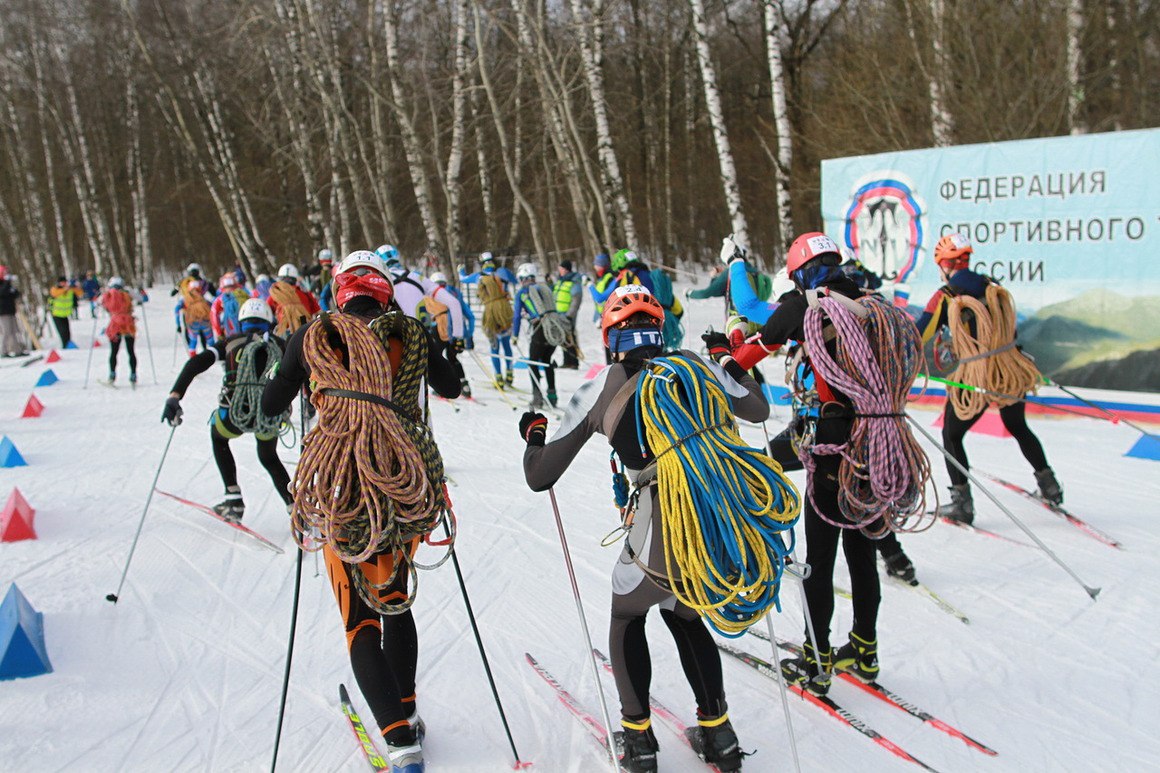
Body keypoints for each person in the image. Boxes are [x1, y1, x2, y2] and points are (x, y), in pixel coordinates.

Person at [521, 285, 771, 773]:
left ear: (613, 337)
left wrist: (533, 436)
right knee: (685, 611)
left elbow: (540, 475)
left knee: (627, 611)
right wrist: (726, 357)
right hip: (714, 518)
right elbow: (757, 410)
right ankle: (718, 734)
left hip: (660, 519)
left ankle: (638, 742)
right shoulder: (698, 367)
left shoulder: (603, 384)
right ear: (659, 329)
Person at [261, 249, 461, 773]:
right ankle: (408, 713)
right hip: (401, 483)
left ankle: (399, 742)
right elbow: (449, 386)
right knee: (395, 599)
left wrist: (302, 375)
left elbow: (269, 404)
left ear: (339, 289)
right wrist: (442, 350)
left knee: (359, 620)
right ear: (384, 289)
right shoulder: (411, 334)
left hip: (343, 487)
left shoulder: (314, 338)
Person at [725, 232, 902, 694]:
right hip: (873, 438)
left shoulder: (802, 306)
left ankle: (817, 661)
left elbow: (747, 346)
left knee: (819, 560)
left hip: (828, 440)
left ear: (800, 269)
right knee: (861, 551)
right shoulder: (867, 304)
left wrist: (735, 268)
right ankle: (865, 650)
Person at [916, 232, 1061, 523]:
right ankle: (1050, 486)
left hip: (976, 376)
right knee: (1017, 424)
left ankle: (962, 504)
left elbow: (920, 334)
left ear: (944, 264)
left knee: (952, 435)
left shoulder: (947, 296)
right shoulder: (993, 287)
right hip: (1008, 371)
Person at [160, 298, 292, 521]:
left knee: (219, 438)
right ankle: (294, 507)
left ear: (242, 322)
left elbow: (196, 363)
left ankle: (233, 499)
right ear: (268, 321)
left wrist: (175, 396)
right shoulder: (281, 346)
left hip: (233, 416)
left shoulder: (230, 342)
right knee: (268, 456)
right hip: (269, 417)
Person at [460, 252, 517, 389]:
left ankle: (498, 378)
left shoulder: (479, 277)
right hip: (505, 310)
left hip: (491, 312)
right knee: (506, 344)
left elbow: (463, 279)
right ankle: (510, 375)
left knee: (494, 346)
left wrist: (460, 270)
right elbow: (515, 281)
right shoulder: (502, 273)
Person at [512, 263, 565, 408]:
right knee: (547, 360)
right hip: (554, 328)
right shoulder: (545, 288)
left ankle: (537, 397)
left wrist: (514, 335)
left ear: (522, 278)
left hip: (540, 328)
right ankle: (553, 396)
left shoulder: (522, 293)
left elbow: (516, 316)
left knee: (533, 362)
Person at [424, 271, 472, 397]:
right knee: (452, 357)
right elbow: (469, 315)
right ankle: (464, 384)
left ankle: (442, 386)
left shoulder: (430, 296)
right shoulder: (454, 293)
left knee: (437, 358)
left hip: (437, 330)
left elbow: (426, 316)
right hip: (454, 330)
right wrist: (467, 335)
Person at [99, 277, 138, 385]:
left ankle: (112, 374)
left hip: (115, 325)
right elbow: (140, 299)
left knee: (114, 351)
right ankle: (133, 374)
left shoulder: (108, 295)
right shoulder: (127, 293)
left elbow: (100, 303)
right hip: (128, 324)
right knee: (131, 351)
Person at [173, 263, 216, 356]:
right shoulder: (203, 283)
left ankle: (192, 353)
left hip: (188, 314)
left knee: (191, 335)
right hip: (203, 314)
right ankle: (208, 351)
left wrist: (178, 324)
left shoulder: (184, 282)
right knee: (206, 335)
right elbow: (214, 296)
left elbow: (173, 294)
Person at [267, 263, 320, 336]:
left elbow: (267, 311)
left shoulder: (275, 294)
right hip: (306, 330)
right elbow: (317, 311)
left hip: (285, 331)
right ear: (295, 279)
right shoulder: (305, 293)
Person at [552, 260, 583, 368]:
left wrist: (570, 315)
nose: (559, 271)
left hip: (568, 315)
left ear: (566, 269)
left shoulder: (574, 282)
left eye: (561, 269)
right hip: (558, 314)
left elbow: (576, 300)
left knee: (570, 337)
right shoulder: (561, 281)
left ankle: (574, 361)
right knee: (563, 337)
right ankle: (567, 361)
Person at [211, 272, 250, 340]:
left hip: (230, 331)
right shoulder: (244, 293)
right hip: (247, 327)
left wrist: (219, 332)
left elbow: (214, 315)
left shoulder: (220, 299)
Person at [47, 275, 83, 347]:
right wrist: (65, 289)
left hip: (65, 314)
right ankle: (65, 346)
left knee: (67, 332)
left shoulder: (69, 290)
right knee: (62, 332)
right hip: (56, 314)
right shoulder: (55, 289)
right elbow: (54, 293)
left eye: (65, 282)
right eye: (62, 282)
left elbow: (80, 293)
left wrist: (74, 287)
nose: (64, 284)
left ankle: (68, 345)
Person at [0, 266, 26, 357]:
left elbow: (15, 294)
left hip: (11, 311)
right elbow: (2, 292)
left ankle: (17, 350)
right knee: (6, 332)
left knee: (14, 331)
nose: (6, 275)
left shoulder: (7, 284)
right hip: (3, 312)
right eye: (4, 273)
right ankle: (3, 352)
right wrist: (7, 283)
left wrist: (14, 289)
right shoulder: (3, 284)